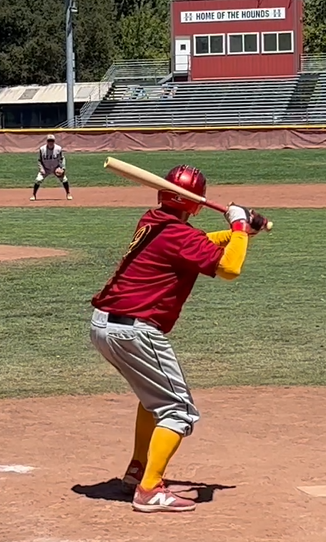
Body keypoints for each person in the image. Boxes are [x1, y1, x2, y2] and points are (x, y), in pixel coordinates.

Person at [88, 165, 268, 513]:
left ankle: (138, 472)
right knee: (179, 411)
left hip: (105, 326)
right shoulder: (179, 235)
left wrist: (241, 231)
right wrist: (239, 227)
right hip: (134, 331)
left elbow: (202, 244)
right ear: (196, 203)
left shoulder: (153, 221)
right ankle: (149, 490)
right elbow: (229, 269)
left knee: (152, 401)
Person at [30, 134, 71, 201]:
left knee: (64, 179)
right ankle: (33, 195)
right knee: (38, 180)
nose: (50, 142)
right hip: (45, 168)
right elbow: (39, 160)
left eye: (52, 141)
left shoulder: (58, 148)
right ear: (47, 141)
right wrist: (41, 168)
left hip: (56, 167)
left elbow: (62, 159)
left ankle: (68, 194)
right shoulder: (42, 149)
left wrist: (62, 168)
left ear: (54, 141)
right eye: (49, 141)